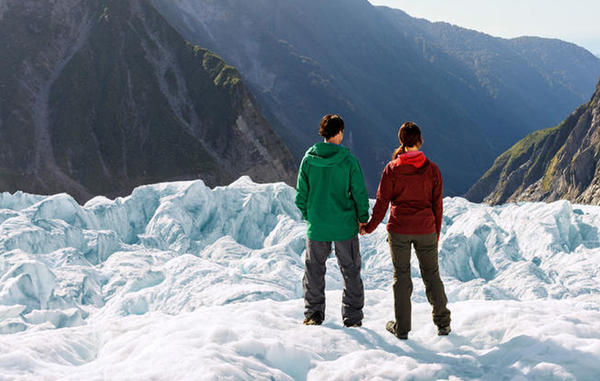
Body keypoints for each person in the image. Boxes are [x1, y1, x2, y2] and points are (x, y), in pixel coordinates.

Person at [360, 121, 451, 339]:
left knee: (401, 277)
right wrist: (435, 234)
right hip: (426, 228)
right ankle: (443, 324)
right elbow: (437, 205)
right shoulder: (432, 169)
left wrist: (369, 227)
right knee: (432, 275)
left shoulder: (392, 169)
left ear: (401, 141)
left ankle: (401, 329)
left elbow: (382, 203)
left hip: (399, 228)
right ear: (420, 141)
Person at [295, 114, 370, 327]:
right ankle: (353, 318)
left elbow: (301, 195)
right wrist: (362, 218)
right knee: (351, 270)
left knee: (314, 270)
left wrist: (312, 216)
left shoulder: (309, 159)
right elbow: (359, 193)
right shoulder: (348, 160)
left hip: (318, 225)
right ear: (338, 133)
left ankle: (313, 314)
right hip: (344, 225)